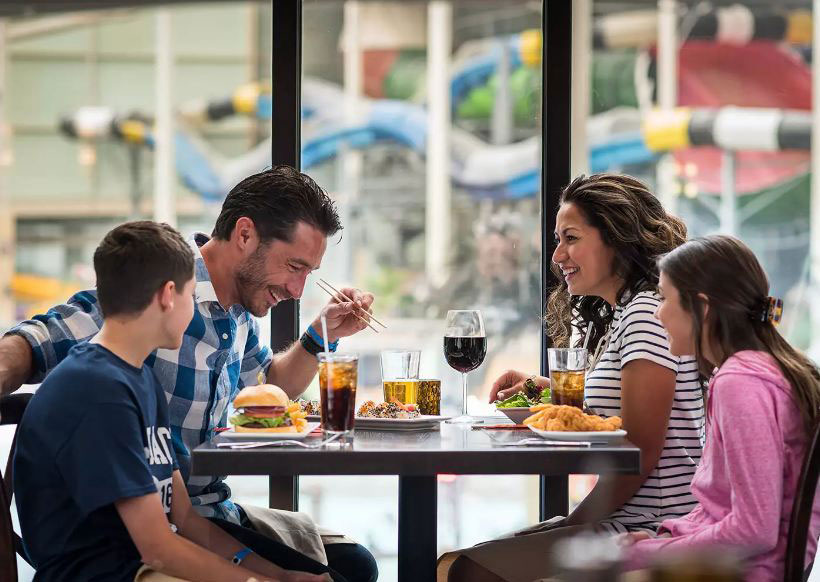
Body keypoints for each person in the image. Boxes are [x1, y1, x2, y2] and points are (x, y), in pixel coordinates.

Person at [0, 167, 378, 581]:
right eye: (294, 266)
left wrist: (319, 336)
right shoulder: (143, 302)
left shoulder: (158, 369)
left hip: (203, 513)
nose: (297, 290)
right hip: (134, 546)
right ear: (245, 235)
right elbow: (38, 339)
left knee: (353, 566)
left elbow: (267, 389)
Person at [440, 173, 705, 581]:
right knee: (455, 563)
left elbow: (640, 454)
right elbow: (620, 412)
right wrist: (544, 389)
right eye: (557, 239)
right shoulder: (633, 311)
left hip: (653, 528)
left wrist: (572, 524)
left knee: (464, 571)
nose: (557, 256)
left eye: (572, 238)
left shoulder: (645, 317)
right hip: (636, 518)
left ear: (616, 238)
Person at [620, 235, 820, 580]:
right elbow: (725, 511)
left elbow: (754, 530)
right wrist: (667, 536)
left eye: (664, 298)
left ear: (702, 307)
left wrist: (645, 552)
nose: (657, 312)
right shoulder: (759, 369)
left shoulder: (740, 382)